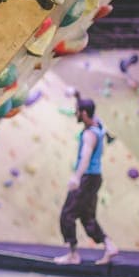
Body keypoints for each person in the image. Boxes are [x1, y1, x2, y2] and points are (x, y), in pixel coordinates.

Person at [54, 94, 119, 265]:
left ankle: (73, 255)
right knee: (87, 217)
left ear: (83, 113)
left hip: (86, 178)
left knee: (67, 215)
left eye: (77, 112)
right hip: (95, 177)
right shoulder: (98, 124)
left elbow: (85, 156)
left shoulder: (89, 135)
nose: (75, 114)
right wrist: (76, 95)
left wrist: (76, 177)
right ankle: (109, 245)